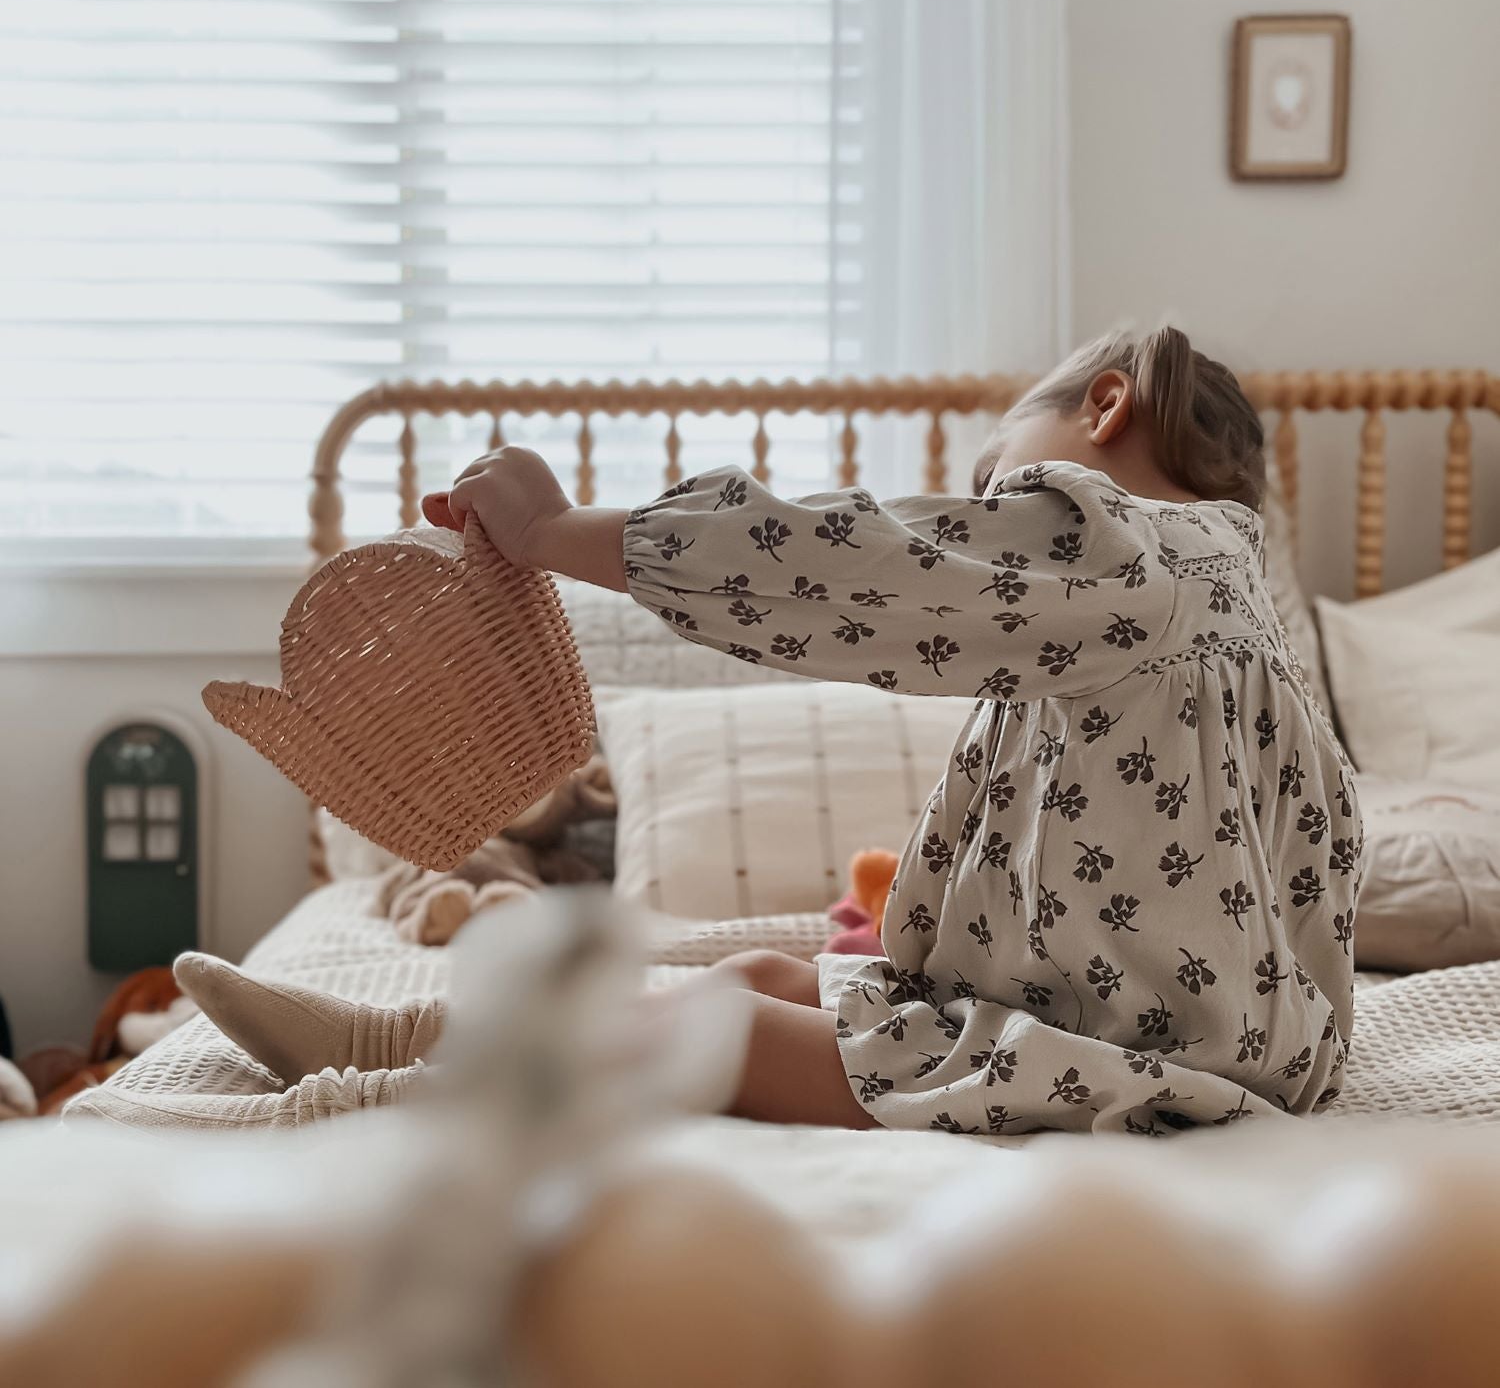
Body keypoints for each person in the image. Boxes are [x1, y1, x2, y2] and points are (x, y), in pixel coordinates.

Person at [181, 325, 1361, 1136]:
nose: (986, 516)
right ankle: (409, 1028)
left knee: (731, 1028)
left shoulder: (1115, 546)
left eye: (995, 480)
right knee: (757, 973)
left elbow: (851, 569)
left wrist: (559, 530)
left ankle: (388, 1095)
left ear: (1106, 405)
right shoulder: (1229, 609)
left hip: (1142, 1069)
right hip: (1163, 1035)